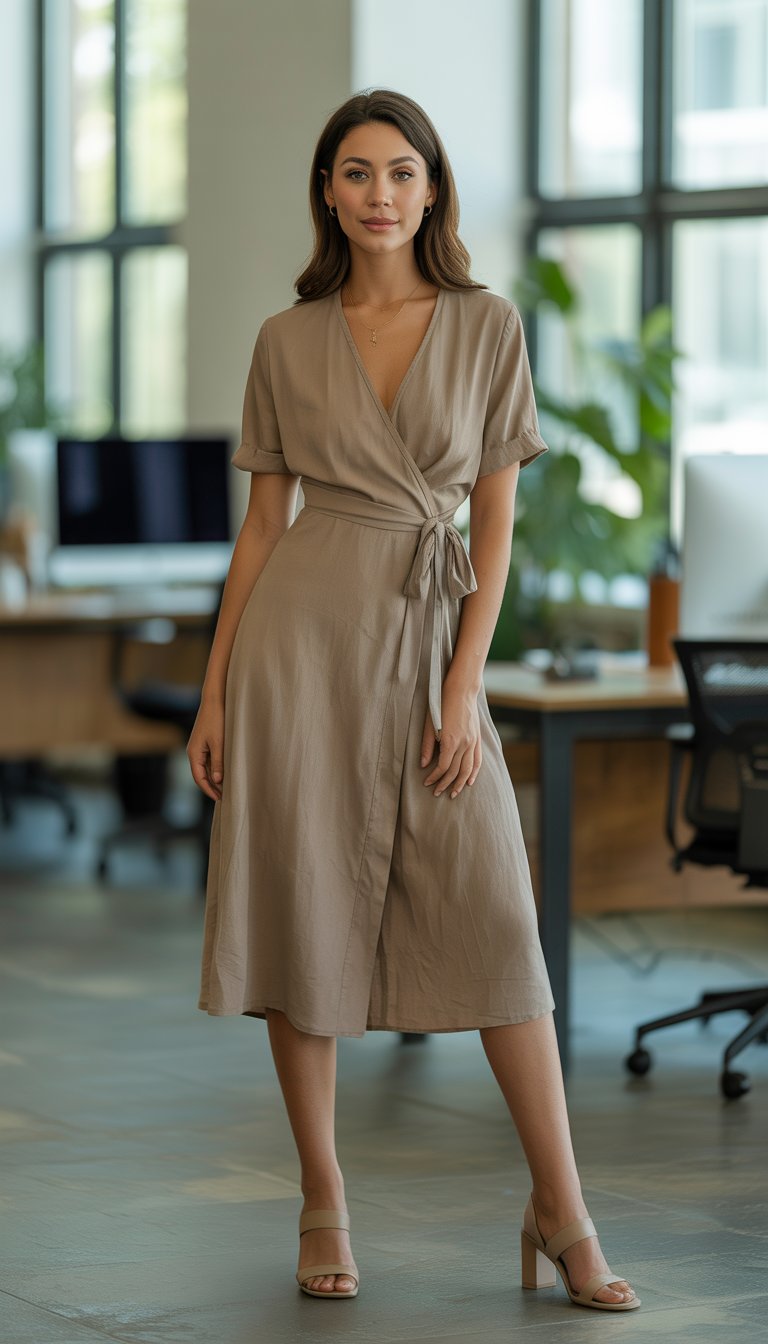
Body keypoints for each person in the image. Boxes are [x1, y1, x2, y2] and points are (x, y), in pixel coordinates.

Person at [187, 89, 639, 1312]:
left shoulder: (488, 327)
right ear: (328, 194)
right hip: (299, 651)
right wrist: (215, 690)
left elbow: (493, 531)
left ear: (432, 190)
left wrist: (462, 686)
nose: (378, 191)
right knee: (300, 913)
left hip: (428, 638)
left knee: (498, 921)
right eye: (353, 172)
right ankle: (321, 1196)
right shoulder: (289, 340)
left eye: (401, 170)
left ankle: (564, 1209)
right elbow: (261, 528)